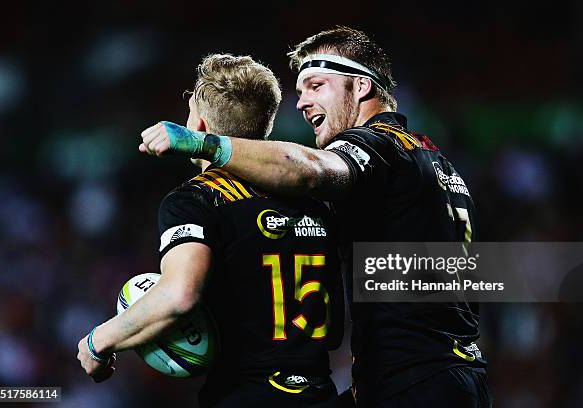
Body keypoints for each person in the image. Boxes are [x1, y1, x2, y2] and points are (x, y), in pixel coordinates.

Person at [139, 27, 492, 407]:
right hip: (461, 375)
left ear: (360, 87)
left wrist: (204, 144)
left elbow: (308, 171)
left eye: (316, 85)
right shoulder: (436, 162)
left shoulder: (378, 146)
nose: (301, 102)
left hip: (410, 382)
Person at [78, 54, 345, 407]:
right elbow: (336, 331)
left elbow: (179, 295)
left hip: (246, 396)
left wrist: (99, 341)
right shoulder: (311, 204)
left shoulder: (196, 199)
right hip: (321, 394)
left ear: (199, 126)